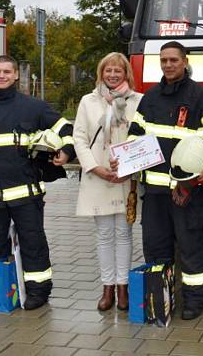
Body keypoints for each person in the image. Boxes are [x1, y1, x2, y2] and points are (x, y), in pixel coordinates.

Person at [0, 54, 75, 310]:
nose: (1, 76)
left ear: (16, 75)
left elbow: (66, 128)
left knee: (33, 243)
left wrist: (65, 151)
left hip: (26, 193)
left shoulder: (33, 107)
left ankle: (38, 291)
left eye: (7, 71)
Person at [126, 41, 203, 321]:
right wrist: (125, 158)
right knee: (156, 249)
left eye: (173, 60)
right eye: (164, 60)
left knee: (191, 248)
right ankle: (160, 300)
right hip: (156, 192)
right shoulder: (150, 97)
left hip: (189, 191)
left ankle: (195, 301)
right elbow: (136, 133)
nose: (168, 65)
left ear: (184, 61)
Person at [73, 52, 143, 311]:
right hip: (97, 175)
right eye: (108, 70)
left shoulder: (138, 101)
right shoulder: (88, 101)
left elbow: (144, 138)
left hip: (126, 176)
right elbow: (79, 137)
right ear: (101, 73)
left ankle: (123, 288)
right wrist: (95, 167)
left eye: (118, 70)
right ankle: (107, 288)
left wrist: (128, 167)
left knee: (124, 234)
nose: (112, 75)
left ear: (127, 74)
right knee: (104, 235)